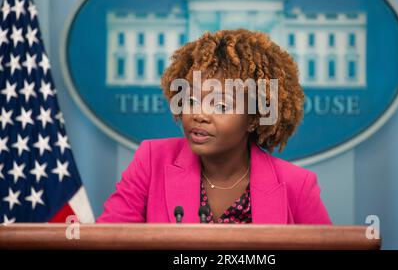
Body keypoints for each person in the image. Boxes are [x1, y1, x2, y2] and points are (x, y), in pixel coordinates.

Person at [97, 29, 332, 224]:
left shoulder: (296, 185)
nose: (199, 114)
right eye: (191, 100)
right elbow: (108, 241)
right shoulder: (151, 162)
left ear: (253, 118)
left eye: (220, 106)